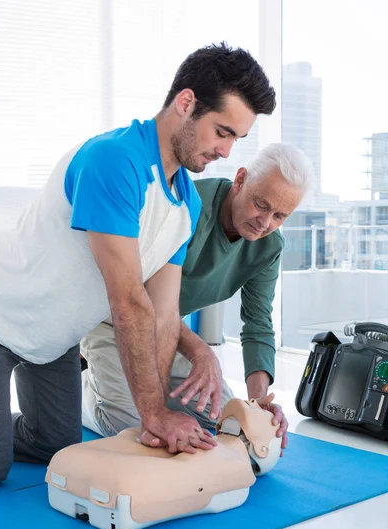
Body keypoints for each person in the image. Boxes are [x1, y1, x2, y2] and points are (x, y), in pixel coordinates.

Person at [0, 42, 276, 489]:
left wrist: (156, 410)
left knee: (55, 448)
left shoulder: (185, 203)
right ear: (186, 104)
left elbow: (163, 314)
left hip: (53, 340)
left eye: (236, 139)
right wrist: (155, 415)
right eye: (222, 132)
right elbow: (128, 301)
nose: (226, 151)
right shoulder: (115, 161)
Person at [80, 143, 314, 451]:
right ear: (241, 179)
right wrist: (202, 353)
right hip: (114, 321)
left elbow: (258, 324)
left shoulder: (269, 247)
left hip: (168, 336)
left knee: (229, 425)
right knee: (137, 431)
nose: (265, 222)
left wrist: (257, 406)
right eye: (261, 204)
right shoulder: (184, 207)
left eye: (280, 216)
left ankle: (150, 391)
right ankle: (84, 388)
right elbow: (143, 296)